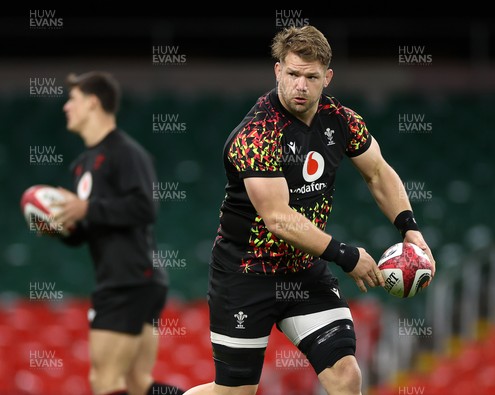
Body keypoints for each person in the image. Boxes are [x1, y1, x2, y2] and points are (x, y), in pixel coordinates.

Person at [184, 25, 436, 395]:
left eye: (311, 77)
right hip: (244, 275)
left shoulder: (341, 120)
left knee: (346, 375)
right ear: (277, 71)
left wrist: (409, 227)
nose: (300, 85)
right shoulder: (257, 136)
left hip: (303, 272)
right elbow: (277, 218)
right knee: (235, 392)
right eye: (292, 74)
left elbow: (378, 173)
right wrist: (346, 256)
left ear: (327, 78)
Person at [53, 71, 185, 395]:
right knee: (137, 383)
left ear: (93, 103)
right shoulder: (81, 165)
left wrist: (87, 209)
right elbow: (88, 229)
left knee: (104, 381)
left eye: (73, 100)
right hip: (132, 280)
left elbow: (145, 207)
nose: (66, 108)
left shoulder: (126, 152)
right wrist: (60, 227)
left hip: (128, 279)